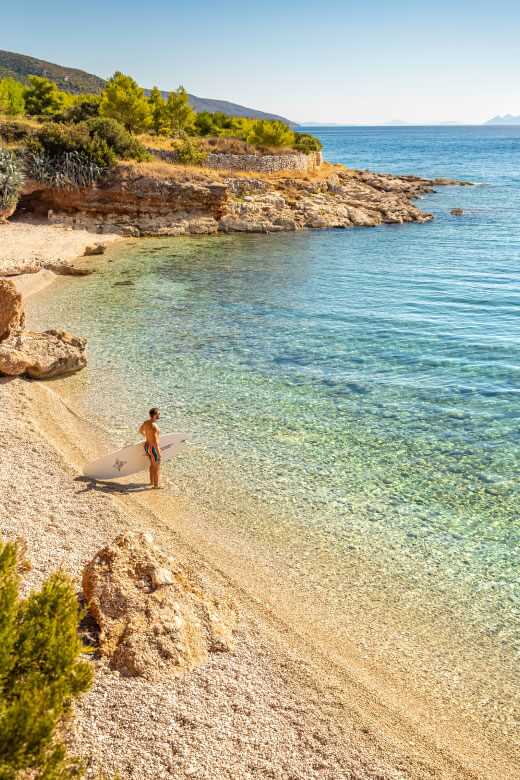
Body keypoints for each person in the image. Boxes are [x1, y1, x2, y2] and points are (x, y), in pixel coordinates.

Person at [139, 407, 162, 488]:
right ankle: (156, 486)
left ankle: (151, 482)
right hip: (153, 448)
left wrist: (147, 437)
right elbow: (155, 442)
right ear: (155, 415)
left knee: (152, 465)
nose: (159, 415)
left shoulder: (146, 422)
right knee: (157, 467)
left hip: (147, 446)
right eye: (158, 413)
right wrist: (159, 454)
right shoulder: (154, 426)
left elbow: (140, 431)